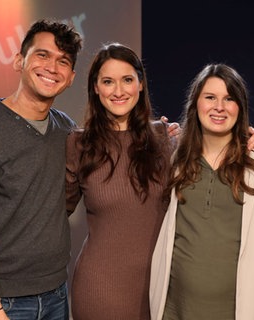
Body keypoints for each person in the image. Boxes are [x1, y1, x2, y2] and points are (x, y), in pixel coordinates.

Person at [0, 19, 82, 320]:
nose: (52, 67)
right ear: (18, 60)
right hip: (2, 303)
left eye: (63, 61)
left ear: (71, 77)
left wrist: (159, 133)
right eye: (42, 55)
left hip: (57, 294)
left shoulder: (66, 129)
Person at [150, 63, 254, 320]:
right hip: (174, 307)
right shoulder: (177, 155)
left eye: (229, 99)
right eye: (210, 97)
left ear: (239, 107)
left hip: (234, 310)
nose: (219, 107)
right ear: (196, 103)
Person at [65, 43, 173, 320]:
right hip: (100, 291)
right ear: (96, 89)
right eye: (108, 82)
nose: (119, 91)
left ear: (140, 84)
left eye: (127, 80)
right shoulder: (80, 144)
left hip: (160, 289)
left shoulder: (165, 138)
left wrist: (252, 136)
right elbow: (52, 212)